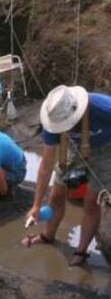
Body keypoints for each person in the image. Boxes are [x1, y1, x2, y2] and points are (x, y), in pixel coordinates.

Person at [23, 85, 111, 266]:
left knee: (91, 202)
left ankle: (81, 251)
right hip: (74, 147)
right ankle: (48, 235)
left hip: (106, 149)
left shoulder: (104, 108)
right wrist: (36, 205)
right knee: (56, 194)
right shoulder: (53, 118)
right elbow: (46, 165)